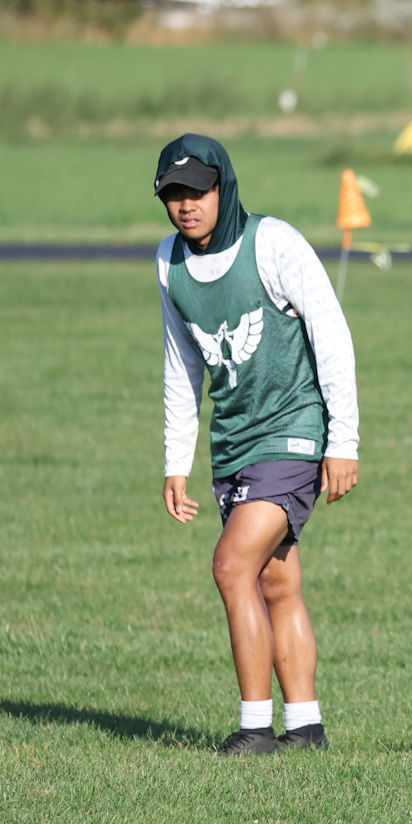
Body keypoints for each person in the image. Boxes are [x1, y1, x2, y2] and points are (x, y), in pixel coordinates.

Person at [154, 133, 360, 756]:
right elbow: (182, 367)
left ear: (224, 187)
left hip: (292, 433)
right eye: (174, 193)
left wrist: (343, 440)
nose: (186, 204)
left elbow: (331, 332)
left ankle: (254, 729)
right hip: (235, 443)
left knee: (231, 565)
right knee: (275, 582)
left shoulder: (273, 243)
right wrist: (176, 462)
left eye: (199, 190)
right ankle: (306, 728)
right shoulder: (169, 262)